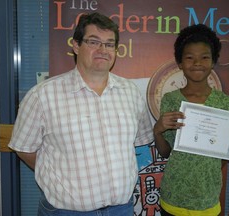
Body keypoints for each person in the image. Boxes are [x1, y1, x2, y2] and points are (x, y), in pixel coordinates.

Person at [8, 12, 154, 216]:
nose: (103, 50)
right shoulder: (42, 95)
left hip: (122, 209)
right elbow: (24, 148)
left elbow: (140, 142)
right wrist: (59, 176)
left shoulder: (131, 93)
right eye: (93, 42)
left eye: (109, 44)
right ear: (76, 45)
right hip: (66, 211)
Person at [153, 24, 229, 216]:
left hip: (207, 199)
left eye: (205, 57)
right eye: (189, 57)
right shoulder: (171, 100)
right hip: (173, 197)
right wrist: (157, 130)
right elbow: (165, 152)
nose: (197, 63)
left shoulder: (226, 104)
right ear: (180, 63)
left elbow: (225, 155)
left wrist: (203, 166)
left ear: (214, 61)